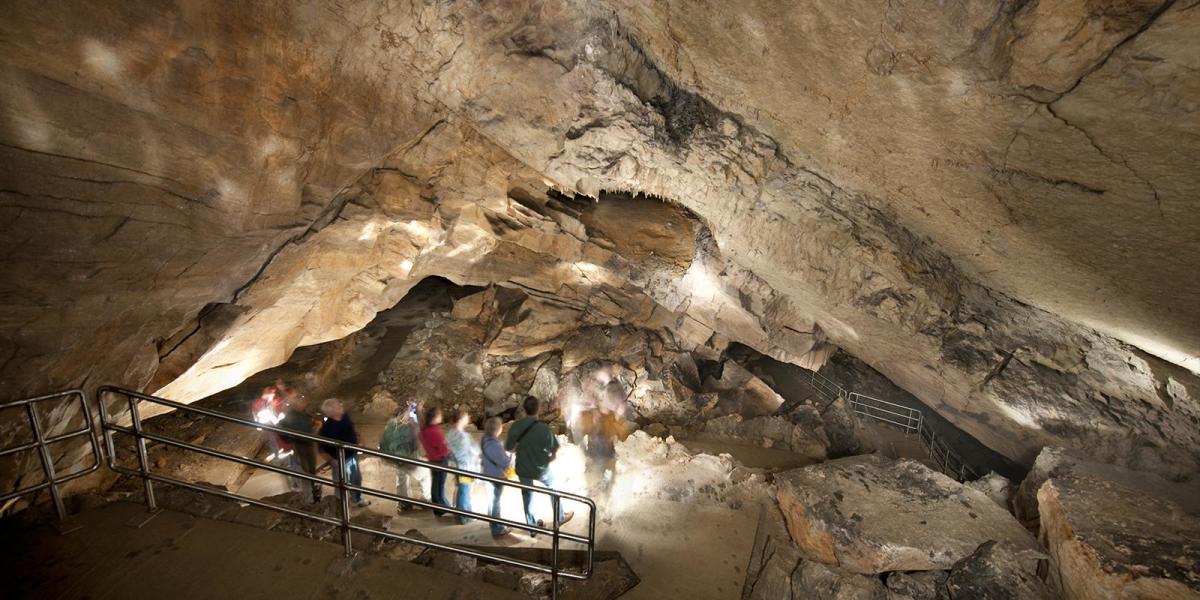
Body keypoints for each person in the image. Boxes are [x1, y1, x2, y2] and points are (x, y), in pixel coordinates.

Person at [506, 396, 573, 533]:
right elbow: (554, 450)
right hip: (540, 468)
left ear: (524, 409)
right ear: (539, 409)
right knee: (553, 488)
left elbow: (509, 448)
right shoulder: (543, 429)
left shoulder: (516, 426)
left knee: (527, 494)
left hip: (523, 467)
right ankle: (559, 517)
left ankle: (532, 526)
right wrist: (548, 460)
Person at [318, 398, 370, 508]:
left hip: (352, 455)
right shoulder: (326, 429)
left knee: (356, 479)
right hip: (339, 461)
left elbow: (352, 428)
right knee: (341, 485)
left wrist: (359, 438)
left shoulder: (345, 416)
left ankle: (356, 499)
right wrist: (331, 460)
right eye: (338, 405)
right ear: (332, 412)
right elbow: (321, 449)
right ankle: (341, 508)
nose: (341, 405)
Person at [380, 401, 424, 512]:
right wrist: (416, 410)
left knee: (402, 480)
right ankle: (425, 500)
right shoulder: (405, 425)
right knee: (424, 476)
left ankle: (403, 504)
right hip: (407, 456)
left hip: (397, 458)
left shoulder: (390, 425)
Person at [279, 391, 320, 504]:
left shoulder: (303, 414)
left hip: (308, 445)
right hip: (300, 446)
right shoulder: (291, 416)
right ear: (296, 403)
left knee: (311, 471)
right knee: (305, 472)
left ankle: (313, 493)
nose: (304, 403)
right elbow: (283, 430)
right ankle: (309, 499)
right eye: (301, 401)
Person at [481, 416, 514, 538]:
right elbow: (504, 463)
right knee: (495, 502)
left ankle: (493, 524)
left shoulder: (485, 440)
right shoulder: (495, 445)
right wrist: (510, 456)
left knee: (492, 502)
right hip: (495, 477)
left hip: (487, 474)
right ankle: (497, 529)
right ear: (498, 429)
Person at [446, 410, 478, 525]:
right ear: (460, 420)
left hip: (456, 466)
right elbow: (472, 451)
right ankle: (464, 517)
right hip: (465, 467)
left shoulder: (450, 433)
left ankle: (462, 512)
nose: (468, 418)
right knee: (465, 491)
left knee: (461, 490)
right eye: (466, 417)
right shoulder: (463, 436)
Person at [419, 406, 452, 517]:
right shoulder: (435, 432)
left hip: (432, 459)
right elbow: (444, 449)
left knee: (435, 483)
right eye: (440, 415)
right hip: (440, 460)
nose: (441, 416)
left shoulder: (425, 429)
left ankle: (438, 507)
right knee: (440, 485)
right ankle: (442, 507)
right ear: (435, 417)